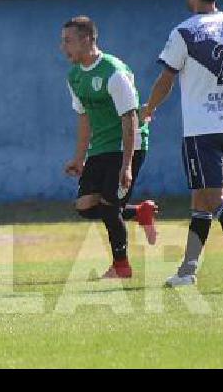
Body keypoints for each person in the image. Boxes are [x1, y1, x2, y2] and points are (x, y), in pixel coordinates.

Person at [141, 0, 223, 287]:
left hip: (201, 129)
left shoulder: (184, 32)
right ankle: (187, 271)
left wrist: (148, 109)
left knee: (215, 198)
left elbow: (166, 81)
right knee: (200, 200)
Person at [61, 15, 159, 279]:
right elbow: (84, 118)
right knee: (84, 205)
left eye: (68, 41)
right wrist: (79, 158)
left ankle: (121, 266)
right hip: (101, 147)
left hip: (130, 144)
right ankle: (140, 212)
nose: (63, 47)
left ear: (87, 40)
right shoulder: (74, 77)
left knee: (108, 207)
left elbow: (130, 118)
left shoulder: (113, 72)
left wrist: (127, 165)